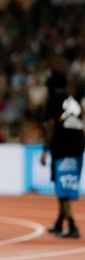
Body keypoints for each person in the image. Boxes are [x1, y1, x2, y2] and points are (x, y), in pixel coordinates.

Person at [40, 69, 85, 240]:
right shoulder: (73, 101)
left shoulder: (54, 100)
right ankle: (59, 223)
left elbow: (51, 125)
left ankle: (72, 225)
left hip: (62, 148)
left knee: (63, 189)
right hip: (77, 148)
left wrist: (44, 150)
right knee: (65, 186)